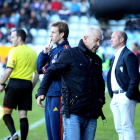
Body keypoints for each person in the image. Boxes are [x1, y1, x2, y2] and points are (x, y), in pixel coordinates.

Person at [36, 27, 105, 140]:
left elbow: (100, 82)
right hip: (73, 113)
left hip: (92, 113)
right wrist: (41, 91)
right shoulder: (70, 53)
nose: (98, 44)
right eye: (96, 40)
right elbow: (51, 71)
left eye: (100, 41)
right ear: (85, 38)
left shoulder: (97, 60)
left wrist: (101, 99)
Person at [0, 29, 39, 140]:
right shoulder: (33, 53)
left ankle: (13, 134)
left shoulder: (14, 51)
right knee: (23, 116)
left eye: (12, 37)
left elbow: (8, 70)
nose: (10, 39)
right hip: (27, 85)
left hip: (14, 84)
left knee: (6, 113)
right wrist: (31, 87)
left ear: (19, 38)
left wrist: (2, 83)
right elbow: (36, 74)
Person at [36, 20, 71, 140]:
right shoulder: (53, 50)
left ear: (62, 34)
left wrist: (48, 68)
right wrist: (44, 53)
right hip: (50, 93)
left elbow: (55, 72)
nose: (50, 35)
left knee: (58, 133)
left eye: (53, 32)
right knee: (50, 133)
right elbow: (40, 69)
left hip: (58, 94)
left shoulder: (66, 50)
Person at [107, 30, 140, 140]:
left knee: (127, 128)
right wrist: (112, 94)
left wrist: (128, 95)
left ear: (121, 40)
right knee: (119, 129)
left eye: (113, 37)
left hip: (125, 96)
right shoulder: (116, 55)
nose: (110, 39)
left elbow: (135, 78)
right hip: (116, 97)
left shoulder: (129, 55)